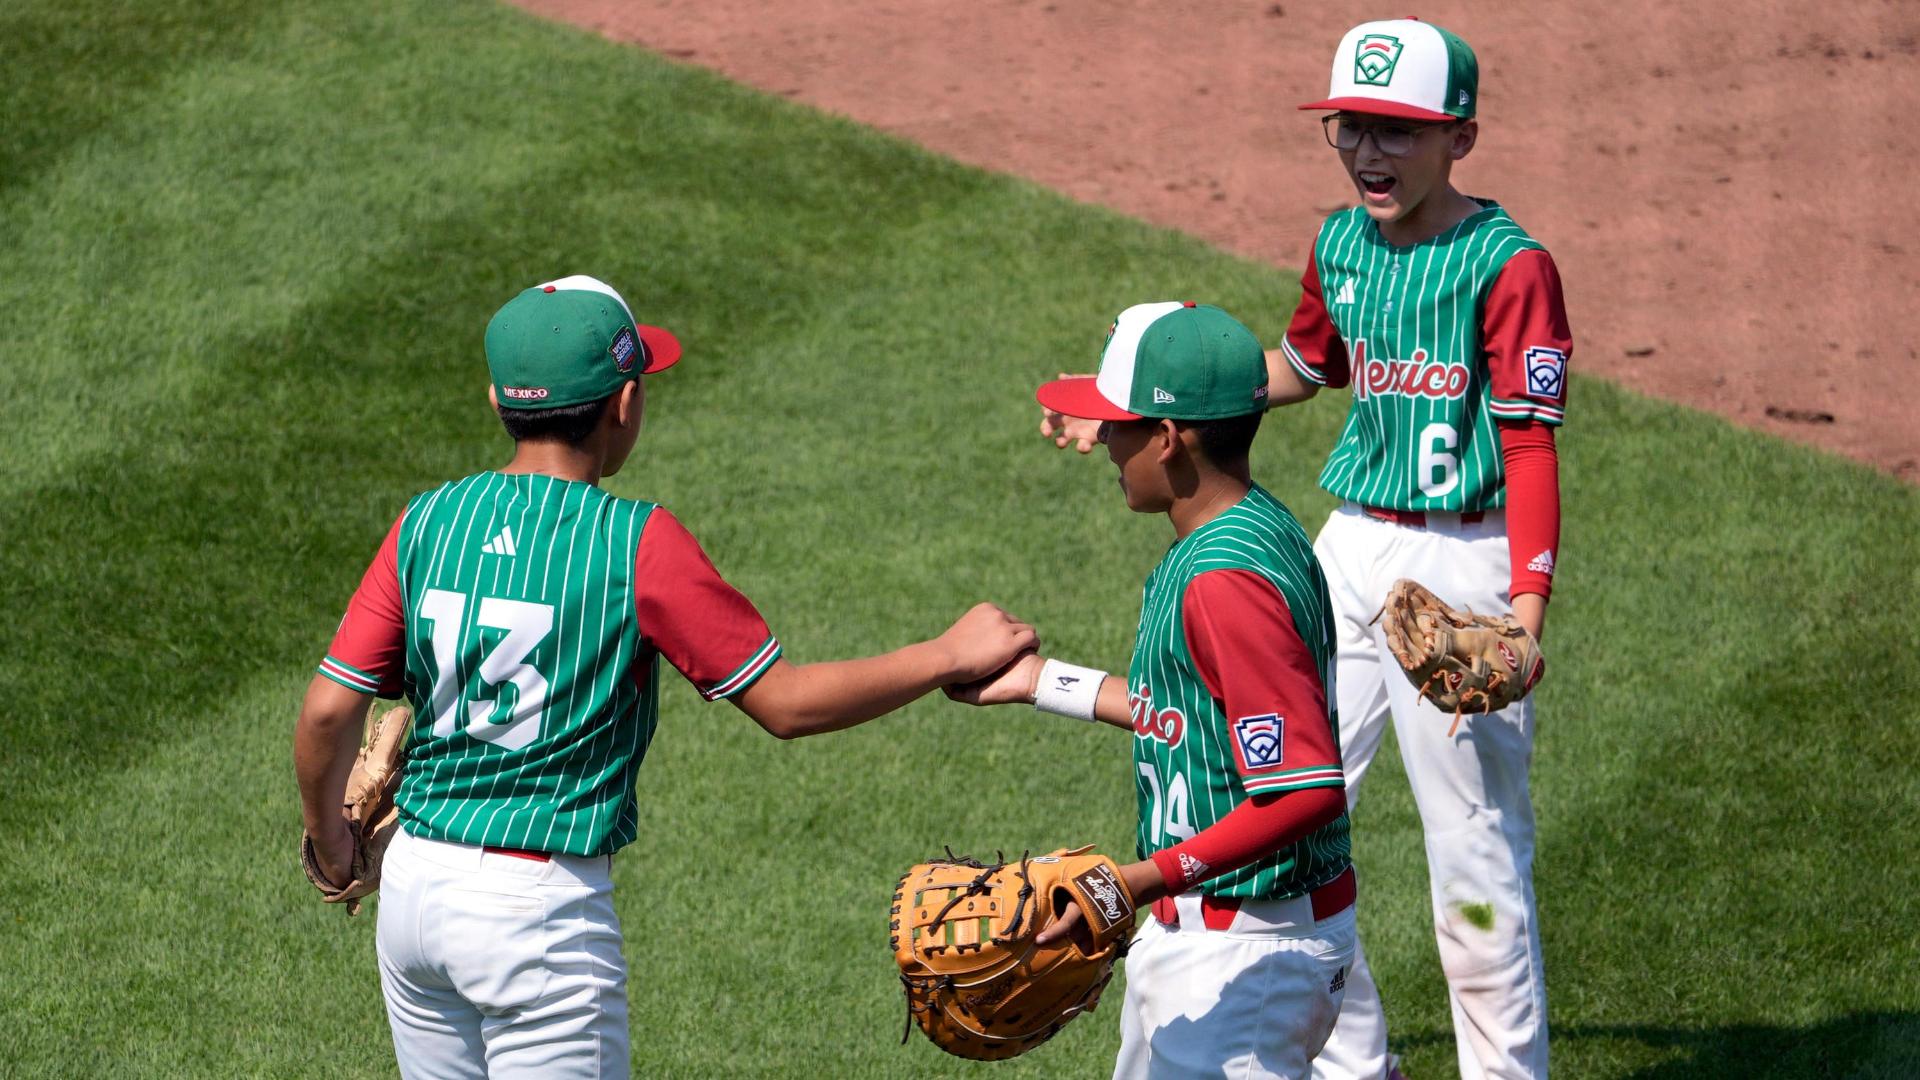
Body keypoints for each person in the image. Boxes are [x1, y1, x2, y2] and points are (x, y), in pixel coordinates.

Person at [294, 275, 1038, 1079]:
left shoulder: (427, 521)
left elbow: (330, 712)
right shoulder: (635, 542)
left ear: (495, 399)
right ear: (623, 405)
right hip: (537, 917)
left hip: (414, 893)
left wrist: (333, 847)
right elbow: (784, 704)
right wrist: (946, 654)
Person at [1042, 20, 1570, 1079]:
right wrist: (1134, 413)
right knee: (1276, 798)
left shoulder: (1511, 268)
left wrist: (1526, 612)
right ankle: (1350, 1061)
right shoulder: (1339, 244)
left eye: (1398, 131)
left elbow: (1529, 441)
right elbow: (1300, 369)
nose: (1369, 152)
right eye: (1350, 128)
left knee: (1473, 860)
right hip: (1351, 545)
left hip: (1463, 564)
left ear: (1459, 138)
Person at [955, 301, 1357, 1079]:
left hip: (1248, 953)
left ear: (1169, 438)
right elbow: (1193, 716)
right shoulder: (1242, 526)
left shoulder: (1224, 579)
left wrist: (1137, 880)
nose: (1103, 440)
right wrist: (1044, 682)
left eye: (1118, 424)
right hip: (1224, 935)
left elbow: (1306, 789)